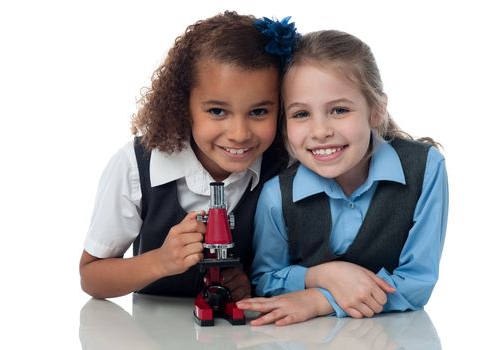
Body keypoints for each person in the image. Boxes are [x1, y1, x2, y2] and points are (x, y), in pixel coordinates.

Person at [236, 29, 448, 325]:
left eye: (339, 110)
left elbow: (417, 281)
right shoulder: (277, 195)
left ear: (376, 111)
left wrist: (321, 298)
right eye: (301, 114)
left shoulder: (425, 168)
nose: (320, 131)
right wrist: (320, 274)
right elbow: (264, 279)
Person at [79, 12, 294, 300]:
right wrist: (160, 261)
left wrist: (247, 285)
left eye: (258, 112)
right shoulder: (136, 166)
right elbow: (92, 277)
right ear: (183, 105)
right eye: (217, 111)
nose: (239, 134)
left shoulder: (285, 166)